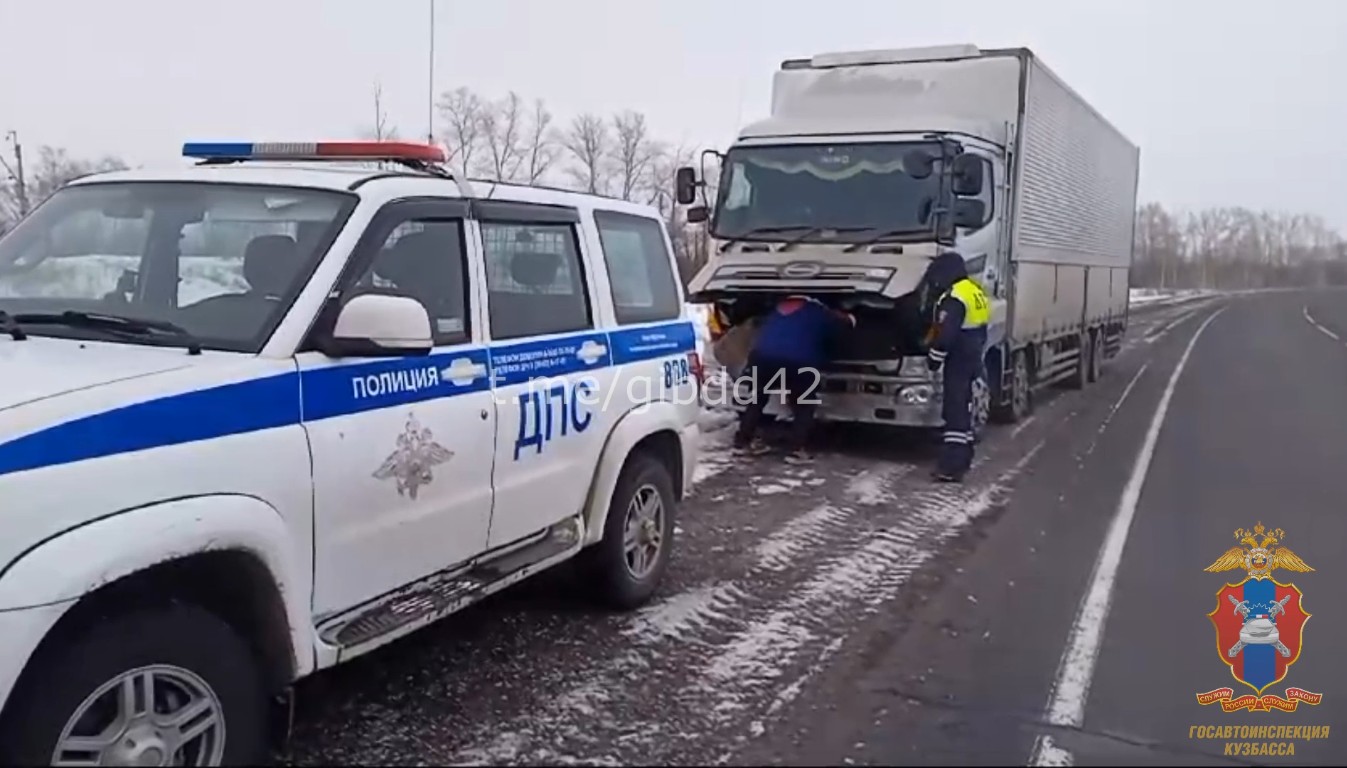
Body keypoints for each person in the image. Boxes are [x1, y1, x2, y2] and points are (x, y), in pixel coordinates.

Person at [733, 295, 856, 456]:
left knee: (758, 399)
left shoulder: (775, 310)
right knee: (803, 404)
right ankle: (797, 450)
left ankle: (742, 443)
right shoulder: (818, 311)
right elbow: (836, 332)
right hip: (799, 362)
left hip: (762, 358)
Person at [923, 250, 990, 482]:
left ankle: (950, 467)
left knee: (955, 412)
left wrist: (934, 358)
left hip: (959, 359)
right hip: (974, 355)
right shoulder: (975, 291)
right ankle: (963, 460)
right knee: (966, 410)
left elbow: (945, 334)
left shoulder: (954, 297)